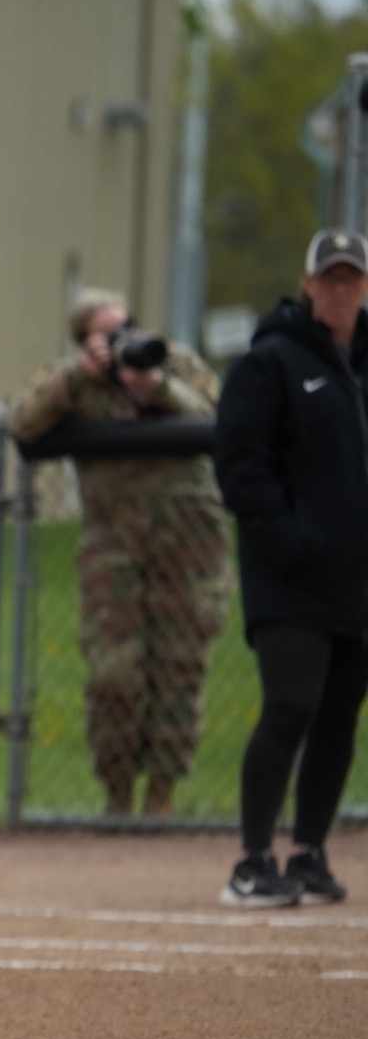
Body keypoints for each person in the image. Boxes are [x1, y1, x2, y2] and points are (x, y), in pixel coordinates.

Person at [8, 288, 232, 816]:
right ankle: (117, 796)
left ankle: (162, 797)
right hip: (114, 547)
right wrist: (80, 375)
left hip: (189, 541)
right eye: (107, 335)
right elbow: (23, 421)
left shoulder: (174, 362)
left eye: (127, 326)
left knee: (180, 670)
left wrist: (159, 389)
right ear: (85, 342)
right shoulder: (76, 383)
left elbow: (221, 414)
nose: (123, 341)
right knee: (115, 675)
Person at [212, 228, 368, 907]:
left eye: (352, 278)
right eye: (329, 278)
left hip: (356, 577)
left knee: (338, 715)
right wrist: (287, 538)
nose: (340, 289)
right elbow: (240, 460)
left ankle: (307, 851)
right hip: (292, 573)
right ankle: (252, 860)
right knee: (290, 705)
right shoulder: (271, 360)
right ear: (306, 285)